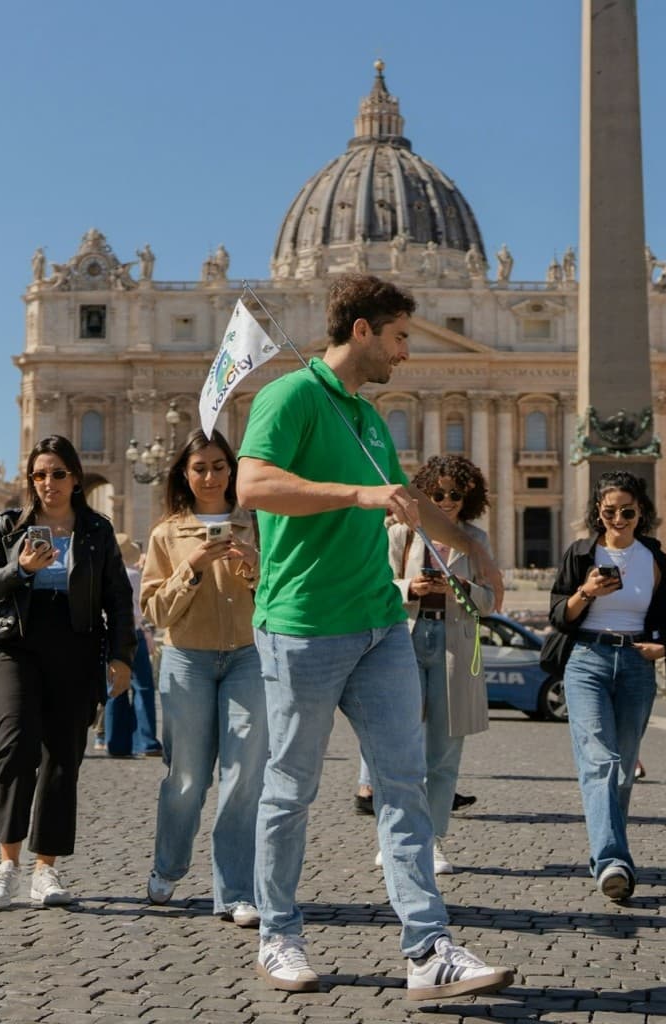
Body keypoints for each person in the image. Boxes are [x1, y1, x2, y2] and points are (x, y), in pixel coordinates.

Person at [236, 273, 513, 1001]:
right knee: (290, 788)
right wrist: (359, 494)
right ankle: (279, 935)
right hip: (301, 624)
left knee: (404, 786)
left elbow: (411, 502)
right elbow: (254, 487)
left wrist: (474, 547)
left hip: (379, 626)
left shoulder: (367, 417)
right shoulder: (289, 396)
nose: (406, 354)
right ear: (361, 330)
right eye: (398, 338)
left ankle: (429, 950)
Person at [0, 435, 135, 911]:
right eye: (40, 475)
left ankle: (46, 868)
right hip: (15, 645)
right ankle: (7, 864)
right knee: (14, 745)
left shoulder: (96, 530)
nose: (49, 483)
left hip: (76, 646)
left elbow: (117, 600)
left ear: (76, 478)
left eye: (58, 473)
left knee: (64, 756)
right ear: (31, 481)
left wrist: (121, 655)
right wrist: (20, 569)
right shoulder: (10, 524)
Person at [546, 470, 666, 901]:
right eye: (609, 511)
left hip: (634, 664)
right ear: (598, 512)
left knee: (623, 770)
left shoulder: (657, 562)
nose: (618, 519)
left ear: (641, 512)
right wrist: (586, 592)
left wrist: (662, 649)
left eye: (627, 511)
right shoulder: (580, 554)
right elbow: (559, 614)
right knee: (601, 762)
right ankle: (613, 861)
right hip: (587, 660)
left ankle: (609, 855)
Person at [140, 428, 266, 928]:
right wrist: (191, 567)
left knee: (243, 778)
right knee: (187, 777)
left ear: (232, 470)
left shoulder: (256, 524)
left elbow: (279, 595)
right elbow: (155, 611)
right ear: (184, 475)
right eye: (199, 468)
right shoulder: (166, 534)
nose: (210, 475)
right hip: (187, 659)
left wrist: (253, 566)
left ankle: (236, 889)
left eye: (218, 465)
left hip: (249, 659)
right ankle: (167, 866)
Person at [360, 455, 495, 875]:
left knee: (443, 752)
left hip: (454, 642)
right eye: (437, 494)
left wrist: (463, 589)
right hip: (406, 637)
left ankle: (433, 839)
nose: (447, 501)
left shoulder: (475, 540)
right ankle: (393, 835)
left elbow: (491, 600)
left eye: (456, 494)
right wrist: (408, 587)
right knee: (399, 747)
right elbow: (375, 585)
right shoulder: (401, 532)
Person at [102, 534, 163, 758]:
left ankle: (115, 742)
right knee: (143, 687)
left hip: (109, 635)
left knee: (114, 688)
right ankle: (145, 741)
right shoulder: (136, 575)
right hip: (133, 633)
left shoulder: (104, 575)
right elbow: (142, 608)